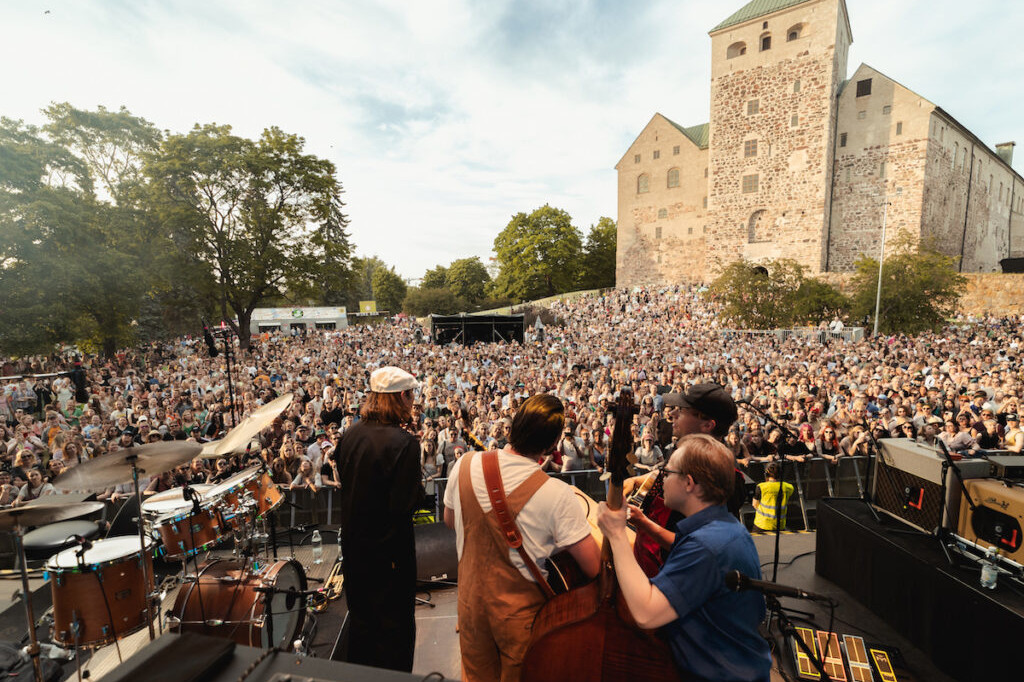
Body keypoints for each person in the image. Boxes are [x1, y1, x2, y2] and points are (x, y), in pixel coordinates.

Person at [443, 394, 601, 682]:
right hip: (520, 617)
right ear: (553, 445)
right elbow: (593, 566)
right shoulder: (556, 493)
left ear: (512, 427)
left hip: (470, 607)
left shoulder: (464, 464)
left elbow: (450, 521)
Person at [596, 434, 771, 682]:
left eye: (667, 473)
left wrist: (615, 534)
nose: (662, 480)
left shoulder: (707, 546)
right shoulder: (724, 527)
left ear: (689, 483)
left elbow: (647, 614)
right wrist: (644, 523)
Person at [336, 366, 424, 673]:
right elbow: (405, 505)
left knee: (361, 625)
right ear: (401, 396)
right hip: (390, 555)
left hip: (355, 549)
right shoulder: (405, 443)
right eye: (412, 396)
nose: (414, 403)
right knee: (395, 633)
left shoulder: (349, 435)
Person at [752, 462, 794, 532]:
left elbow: (754, 504)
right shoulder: (788, 487)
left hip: (762, 523)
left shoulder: (761, 487)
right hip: (779, 525)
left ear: (766, 474)